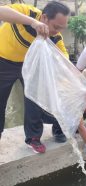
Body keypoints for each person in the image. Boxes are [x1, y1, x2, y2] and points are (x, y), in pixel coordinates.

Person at [0, 2, 69, 153]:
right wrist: (33, 22)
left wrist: (81, 84)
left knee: (34, 100)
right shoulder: (27, 12)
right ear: (44, 17)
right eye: (56, 27)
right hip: (3, 61)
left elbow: (66, 64)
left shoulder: (56, 38)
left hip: (29, 66)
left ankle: (33, 138)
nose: (57, 32)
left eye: (61, 29)